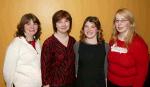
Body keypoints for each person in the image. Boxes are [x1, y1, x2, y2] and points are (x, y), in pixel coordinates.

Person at [107, 8, 149, 87]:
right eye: (117, 20)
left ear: (130, 23)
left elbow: (142, 71)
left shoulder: (138, 44)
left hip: (128, 84)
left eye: (123, 20)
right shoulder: (113, 40)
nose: (119, 24)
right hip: (111, 82)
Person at [3, 13, 42, 87]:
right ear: (22, 26)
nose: (32, 27)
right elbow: (8, 71)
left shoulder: (37, 42)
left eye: (35, 24)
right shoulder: (16, 44)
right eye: (28, 24)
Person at [41, 10, 76, 87]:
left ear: (70, 23)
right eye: (59, 22)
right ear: (55, 24)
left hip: (72, 83)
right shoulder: (48, 43)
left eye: (66, 21)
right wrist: (46, 84)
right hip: (55, 84)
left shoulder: (73, 41)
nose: (63, 24)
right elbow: (44, 67)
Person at [74, 16, 108, 87]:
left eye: (93, 27)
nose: (89, 29)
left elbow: (105, 70)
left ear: (98, 29)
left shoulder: (106, 46)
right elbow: (76, 68)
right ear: (83, 29)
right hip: (81, 84)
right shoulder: (77, 45)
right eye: (86, 26)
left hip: (99, 84)